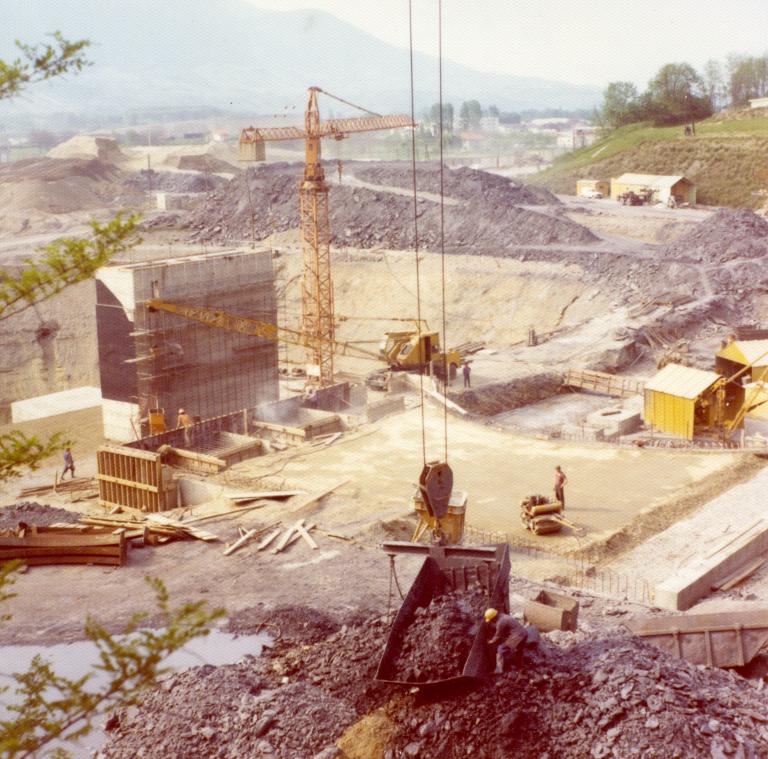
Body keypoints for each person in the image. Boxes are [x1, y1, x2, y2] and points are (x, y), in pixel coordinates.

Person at [484, 608, 526, 673]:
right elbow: (500, 626)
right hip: (524, 633)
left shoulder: (501, 622)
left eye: (491, 620)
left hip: (517, 636)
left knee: (500, 649)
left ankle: (499, 670)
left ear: (494, 617)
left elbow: (497, 635)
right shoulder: (503, 616)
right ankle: (520, 667)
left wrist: (491, 641)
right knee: (518, 651)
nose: (491, 621)